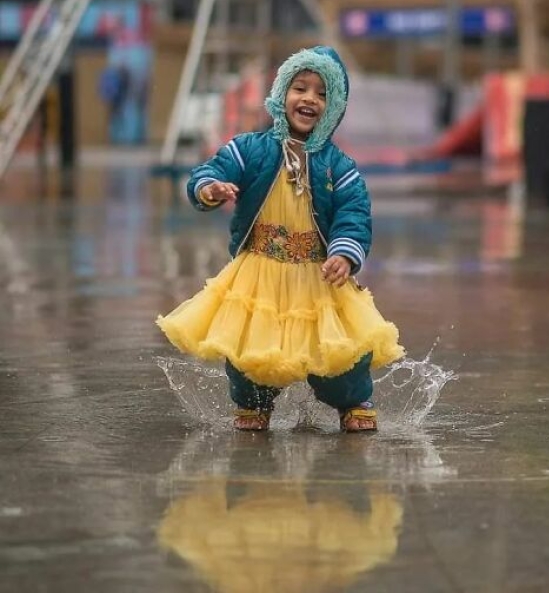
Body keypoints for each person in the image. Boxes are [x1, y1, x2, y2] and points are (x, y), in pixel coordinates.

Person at [157, 46, 405, 433]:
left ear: (335, 106)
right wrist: (210, 188)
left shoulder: (338, 166)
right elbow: (211, 169)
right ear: (281, 94)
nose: (309, 99)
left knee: (337, 353)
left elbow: (354, 214)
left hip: (318, 273)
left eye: (323, 94)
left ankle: (352, 400)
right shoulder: (251, 149)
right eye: (300, 88)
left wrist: (344, 252)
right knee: (251, 350)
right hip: (259, 271)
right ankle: (254, 403)